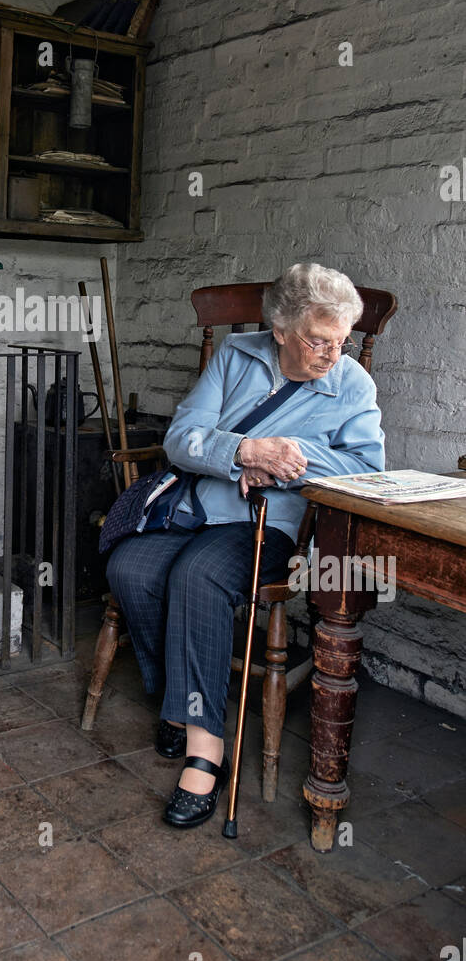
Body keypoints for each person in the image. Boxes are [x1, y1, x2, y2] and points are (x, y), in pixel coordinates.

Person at [106, 262, 385, 828]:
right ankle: (178, 703)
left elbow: (366, 467)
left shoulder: (351, 383)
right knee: (130, 567)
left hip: (268, 523)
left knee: (197, 576)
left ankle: (204, 752)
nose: (333, 355)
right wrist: (246, 451)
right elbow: (182, 440)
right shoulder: (236, 357)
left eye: (342, 341)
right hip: (197, 507)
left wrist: (288, 460)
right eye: (318, 341)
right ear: (280, 330)